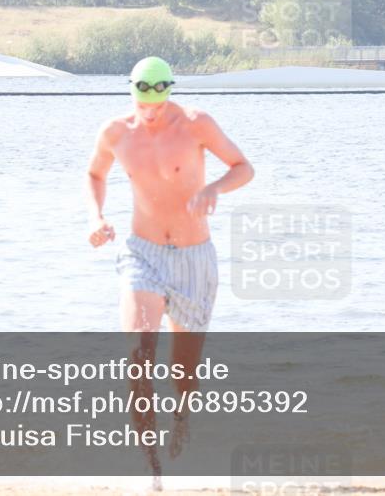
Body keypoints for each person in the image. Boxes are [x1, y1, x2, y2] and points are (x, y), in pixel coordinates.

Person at [87, 56, 254, 481]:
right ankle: (152, 467)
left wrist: (214, 188)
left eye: (158, 102)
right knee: (138, 356)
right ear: (132, 93)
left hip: (194, 258)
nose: (150, 111)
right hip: (142, 254)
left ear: (169, 92)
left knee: (184, 370)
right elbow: (94, 174)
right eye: (142, 101)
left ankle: (181, 414)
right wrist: (96, 217)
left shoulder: (197, 123)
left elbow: (243, 167)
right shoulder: (115, 132)